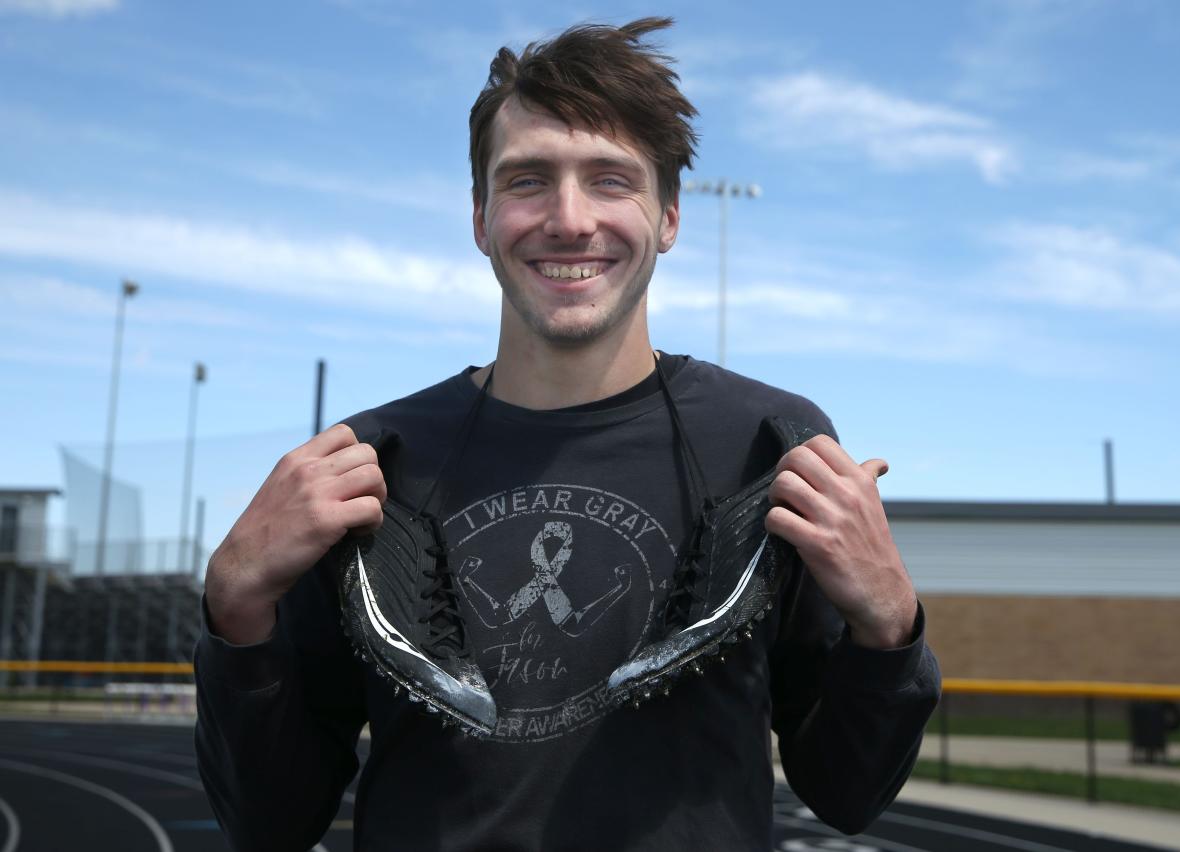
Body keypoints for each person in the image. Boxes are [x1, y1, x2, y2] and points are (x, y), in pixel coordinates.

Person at [195, 17, 940, 852]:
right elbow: (272, 820)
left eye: (611, 181)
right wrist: (234, 607)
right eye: (527, 182)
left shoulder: (768, 446)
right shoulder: (370, 465)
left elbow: (847, 793)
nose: (569, 219)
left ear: (667, 218)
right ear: (480, 218)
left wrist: (889, 627)